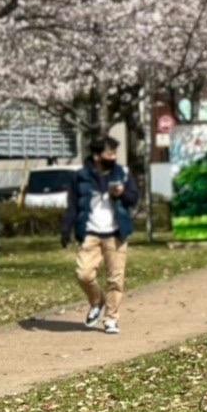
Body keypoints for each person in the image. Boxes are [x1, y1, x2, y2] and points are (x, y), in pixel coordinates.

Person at [66, 135, 138, 334]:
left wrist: (122, 194)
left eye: (115, 153)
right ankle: (97, 301)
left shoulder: (122, 173)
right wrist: (66, 229)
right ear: (97, 156)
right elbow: (72, 206)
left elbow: (134, 198)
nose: (113, 157)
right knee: (83, 274)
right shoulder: (81, 176)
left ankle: (111, 318)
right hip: (91, 233)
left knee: (116, 279)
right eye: (109, 153)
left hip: (116, 233)